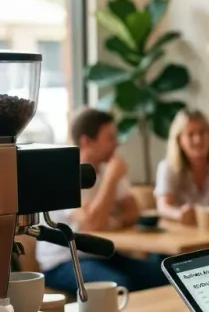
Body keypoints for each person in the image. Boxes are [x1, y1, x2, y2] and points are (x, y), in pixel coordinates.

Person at [38, 108, 166, 292]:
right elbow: (93, 223)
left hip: (101, 255)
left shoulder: (108, 167)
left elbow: (132, 211)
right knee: (117, 284)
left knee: (160, 273)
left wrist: (113, 221)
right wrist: (111, 179)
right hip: (64, 260)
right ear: (87, 141)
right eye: (110, 138)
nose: (117, 143)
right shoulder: (65, 172)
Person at [155, 109, 209, 224]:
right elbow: (163, 207)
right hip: (182, 229)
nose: (198, 140)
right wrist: (178, 214)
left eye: (202, 133)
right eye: (190, 135)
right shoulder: (167, 167)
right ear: (179, 140)